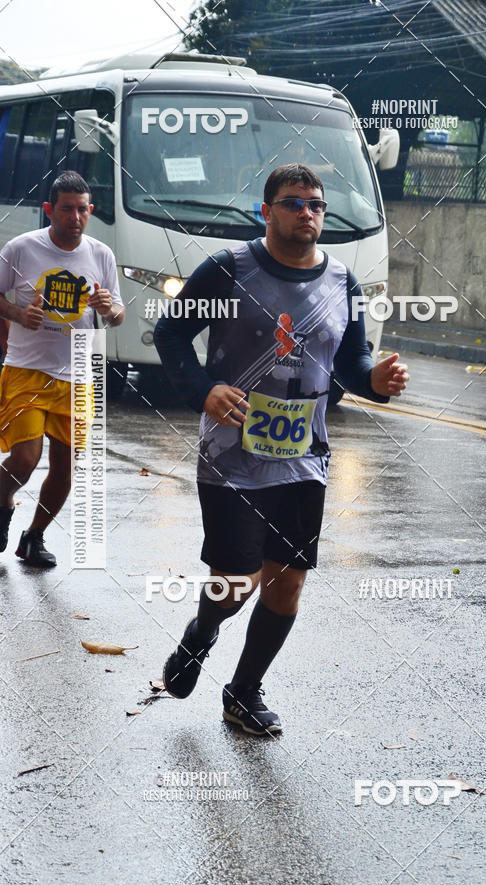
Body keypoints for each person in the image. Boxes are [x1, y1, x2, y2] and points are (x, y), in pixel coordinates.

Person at [154, 163, 409, 735]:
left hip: (304, 459)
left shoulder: (342, 281)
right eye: (294, 203)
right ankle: (201, 632)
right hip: (232, 458)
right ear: (265, 211)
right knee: (236, 584)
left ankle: (243, 693)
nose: (307, 213)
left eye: (316, 204)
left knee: (287, 582)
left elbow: (352, 360)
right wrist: (205, 390)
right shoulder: (228, 271)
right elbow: (170, 333)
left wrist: (377, 381)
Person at [0, 171, 125, 566]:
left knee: (67, 465)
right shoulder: (21, 248)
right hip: (27, 368)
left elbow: (119, 313)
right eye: (67, 209)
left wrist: (109, 309)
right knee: (24, 458)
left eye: (83, 209)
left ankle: (34, 537)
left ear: (90, 211)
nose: (76, 217)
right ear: (49, 210)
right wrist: (19, 314)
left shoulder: (101, 254)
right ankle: (3, 503)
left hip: (79, 373)